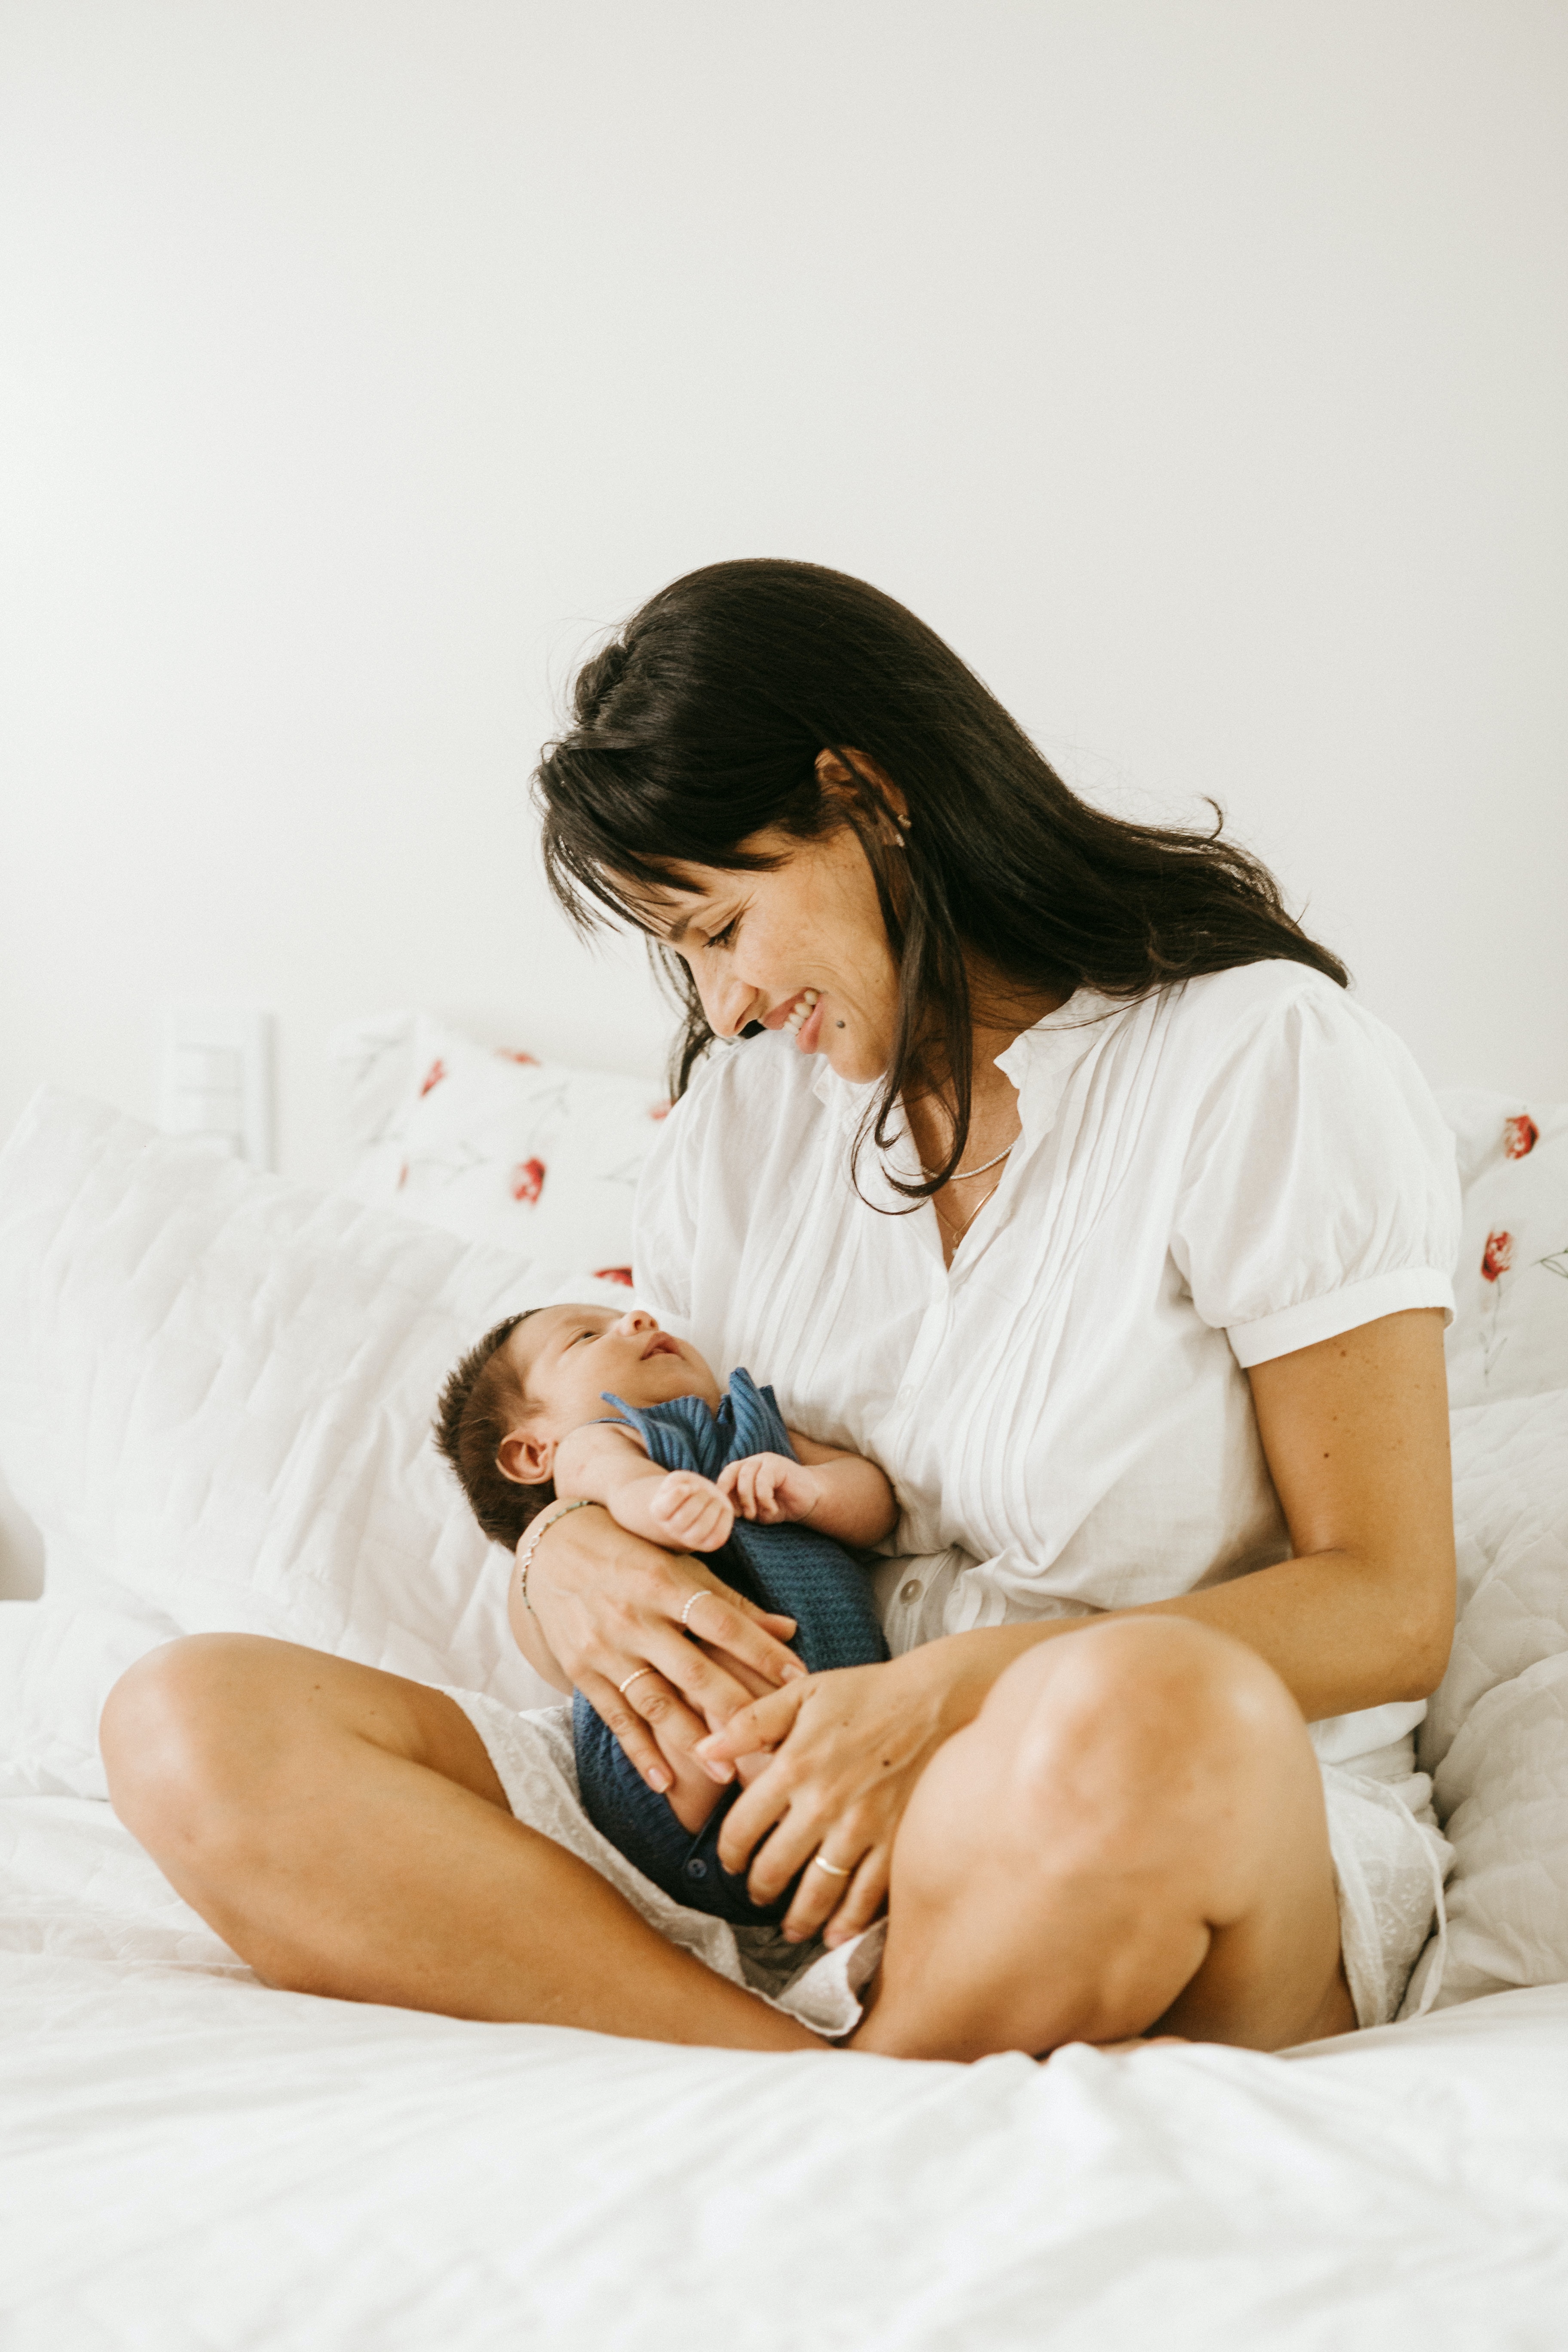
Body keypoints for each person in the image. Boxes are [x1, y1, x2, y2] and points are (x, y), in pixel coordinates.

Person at [101, 557, 1460, 2061]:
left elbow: (1387, 1604)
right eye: (678, 955)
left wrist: (943, 1702)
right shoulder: (748, 1121)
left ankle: (841, 2099)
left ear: (860, 792)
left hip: (1145, 1826)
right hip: (781, 1854)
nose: (726, 1007)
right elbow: (659, 1473)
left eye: (720, 926)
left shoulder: (1258, 1060)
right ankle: (790, 2086)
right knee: (187, 1718)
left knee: (1151, 1704)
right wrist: (563, 1556)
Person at [432, 1300, 894, 1923]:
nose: (638, 1318)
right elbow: (618, 1481)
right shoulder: (597, 1447)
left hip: (846, 1735)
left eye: (625, 1313)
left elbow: (875, 1506)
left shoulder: (755, 1425)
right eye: (587, 1337)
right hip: (675, 1786)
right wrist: (661, 1500)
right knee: (699, 1661)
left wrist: (812, 1492)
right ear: (532, 1453)